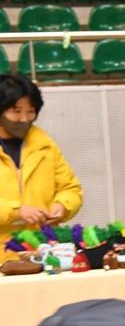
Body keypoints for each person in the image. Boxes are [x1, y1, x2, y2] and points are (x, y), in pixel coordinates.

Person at [0, 73, 82, 255]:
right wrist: (16, 211)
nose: (25, 119)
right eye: (16, 111)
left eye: (31, 111)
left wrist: (62, 205)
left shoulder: (44, 144)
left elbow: (71, 189)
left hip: (42, 251)